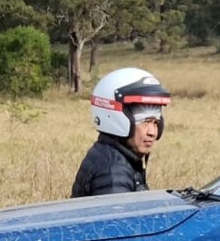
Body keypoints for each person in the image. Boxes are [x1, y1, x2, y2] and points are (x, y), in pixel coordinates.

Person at [71, 67, 171, 198]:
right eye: (145, 121)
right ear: (116, 118)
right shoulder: (113, 171)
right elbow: (119, 218)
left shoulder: (115, 156)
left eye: (156, 122)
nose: (152, 132)